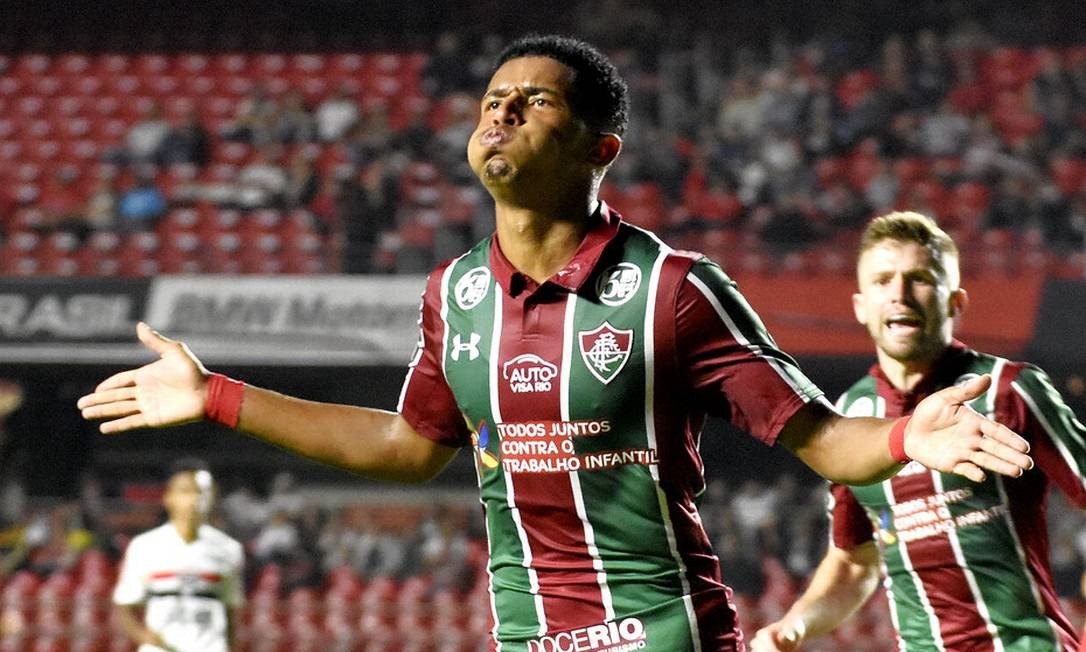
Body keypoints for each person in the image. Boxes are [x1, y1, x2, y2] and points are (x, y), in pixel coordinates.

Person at [80, 36, 1032, 652]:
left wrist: (909, 438)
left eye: (533, 102)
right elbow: (407, 449)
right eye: (494, 99)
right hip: (528, 637)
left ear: (599, 147)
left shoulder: (675, 290)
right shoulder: (453, 294)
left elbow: (823, 439)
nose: (500, 112)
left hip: (665, 634)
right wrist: (216, 397)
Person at [752, 212, 1084, 651]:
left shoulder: (1010, 389)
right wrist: (793, 626)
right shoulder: (850, 417)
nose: (900, 295)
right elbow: (854, 562)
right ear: (860, 306)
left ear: (956, 302)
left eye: (920, 279)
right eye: (883, 280)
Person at [112, 458, 244, 652]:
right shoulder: (145, 546)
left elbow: (230, 610)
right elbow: (124, 606)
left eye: (199, 492)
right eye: (185, 491)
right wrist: (146, 638)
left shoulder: (229, 548)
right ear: (168, 498)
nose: (194, 499)